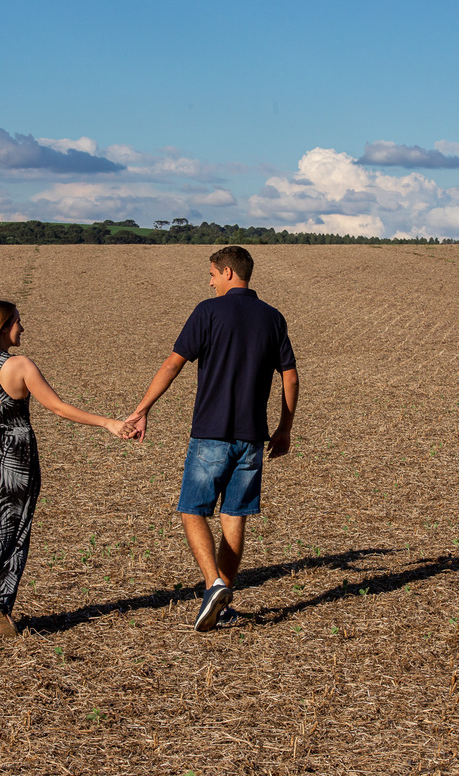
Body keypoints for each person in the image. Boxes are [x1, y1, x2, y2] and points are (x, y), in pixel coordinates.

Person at [127, 246, 298, 632]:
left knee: (192, 510)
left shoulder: (208, 311)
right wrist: (285, 427)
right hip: (252, 438)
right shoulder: (272, 317)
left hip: (211, 433)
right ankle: (221, 605)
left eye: (212, 274)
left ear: (228, 272)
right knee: (234, 516)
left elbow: (173, 364)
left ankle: (214, 585)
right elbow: (289, 376)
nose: (209, 282)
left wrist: (142, 409)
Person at [0, 300, 133, 636]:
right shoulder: (20, 366)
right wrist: (108, 422)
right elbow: (59, 408)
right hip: (16, 459)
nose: (22, 327)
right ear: (2, 327)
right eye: (18, 322)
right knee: (13, 531)